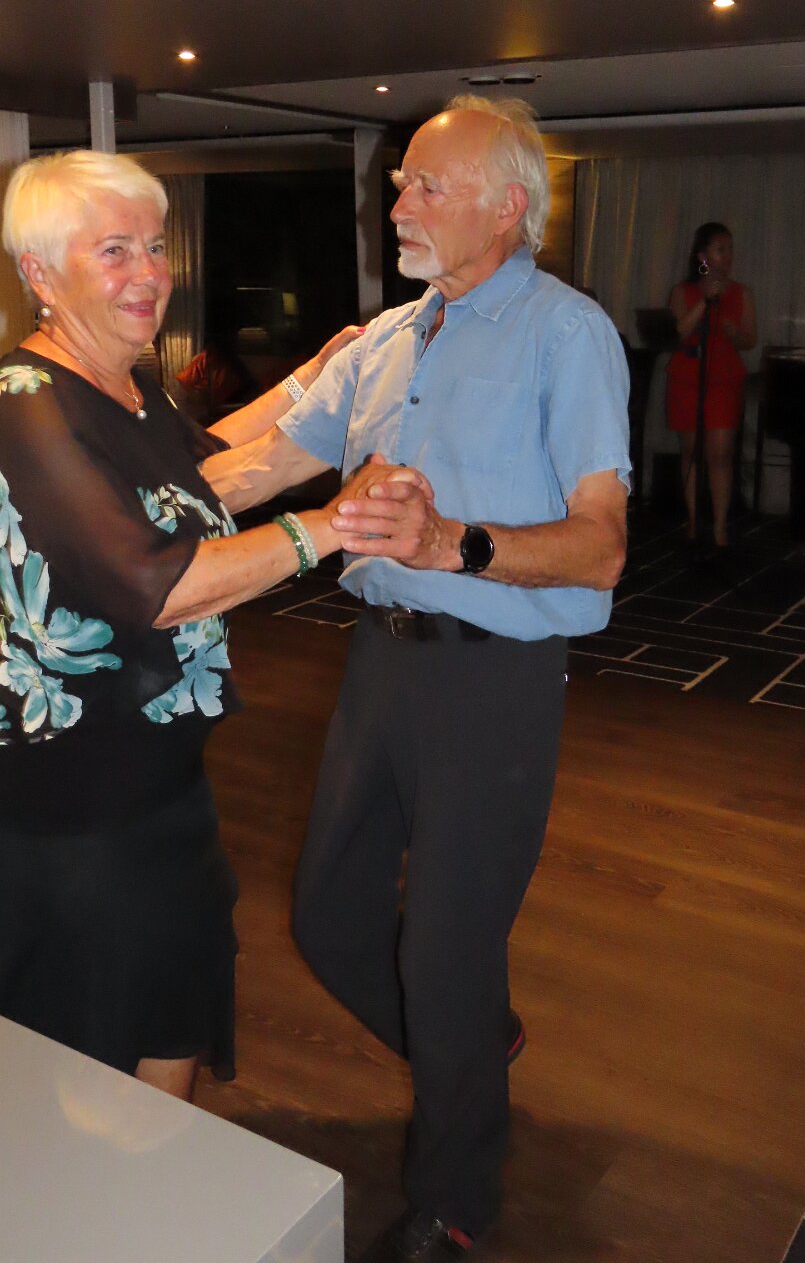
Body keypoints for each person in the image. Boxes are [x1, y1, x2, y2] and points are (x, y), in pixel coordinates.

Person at [227, 97, 630, 1260]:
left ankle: (455, 1204)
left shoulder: (566, 334)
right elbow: (262, 464)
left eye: (422, 185)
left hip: (493, 680)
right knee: (326, 914)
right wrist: (109, 474)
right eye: (397, 182)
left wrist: (453, 542)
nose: (393, 202)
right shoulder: (385, 339)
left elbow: (600, 546)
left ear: (505, 207)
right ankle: (473, 1045)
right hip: (380, 663)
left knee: (445, 951)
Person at [0, 147, 395, 1100]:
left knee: (171, 1011)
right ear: (40, 274)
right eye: (114, 251)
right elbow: (154, 582)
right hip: (73, 810)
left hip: (161, 787)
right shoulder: (24, 408)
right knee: (87, 1074)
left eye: (154, 246)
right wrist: (333, 526)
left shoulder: (129, 387)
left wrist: (321, 378)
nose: (148, 273)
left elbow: (214, 469)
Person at [666, 222, 757, 549]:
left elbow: (750, 340)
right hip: (688, 377)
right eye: (721, 249)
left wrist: (736, 334)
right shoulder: (683, 291)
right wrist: (704, 301)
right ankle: (693, 520)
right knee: (691, 452)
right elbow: (679, 330)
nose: (727, 256)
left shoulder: (742, 293)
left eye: (730, 249)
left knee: (720, 454)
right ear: (703, 256)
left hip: (723, 378)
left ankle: (719, 526)